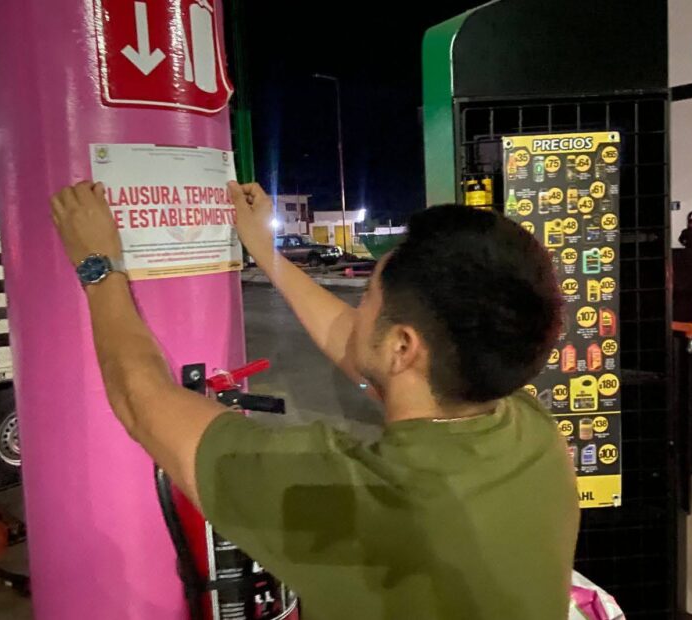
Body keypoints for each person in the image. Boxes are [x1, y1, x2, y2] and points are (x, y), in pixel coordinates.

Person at [50, 181, 579, 620]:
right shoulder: (528, 430)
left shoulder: (356, 498)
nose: (358, 312)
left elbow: (140, 399)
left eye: (368, 297)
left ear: (402, 346)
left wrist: (98, 265)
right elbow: (362, 349)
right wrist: (266, 254)